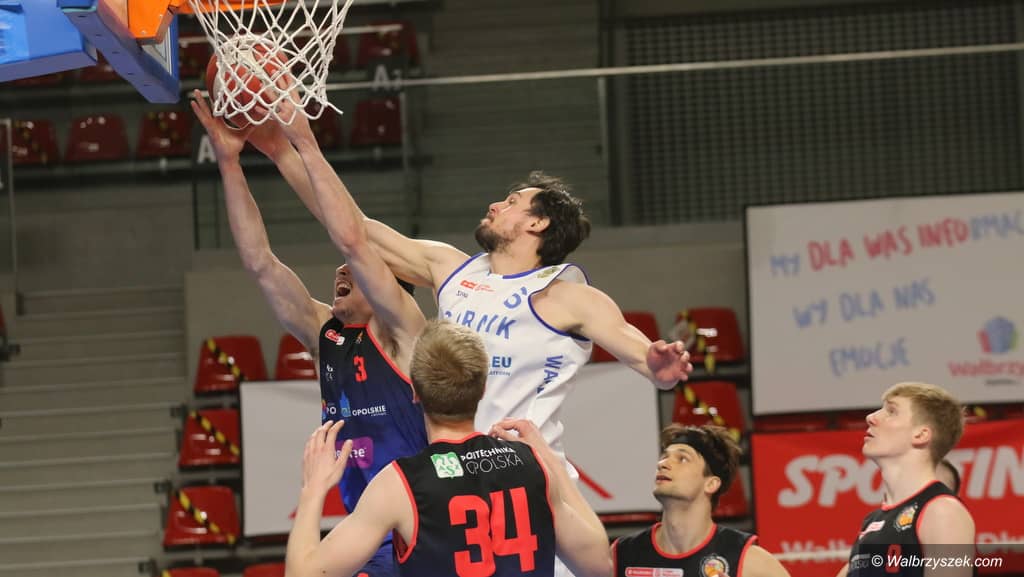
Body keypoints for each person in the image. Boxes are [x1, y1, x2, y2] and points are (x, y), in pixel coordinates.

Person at [262, 104, 694, 469]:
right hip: (453, 471)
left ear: (538, 223)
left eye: (512, 203)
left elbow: (639, 353)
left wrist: (658, 367)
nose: (495, 205)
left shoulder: (566, 294)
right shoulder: (453, 269)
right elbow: (352, 227)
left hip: (528, 473)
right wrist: (283, 150)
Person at [191, 91, 429, 577]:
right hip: (364, 534)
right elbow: (260, 264)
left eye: (354, 271)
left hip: (421, 531)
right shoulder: (327, 336)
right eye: (341, 270)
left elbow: (356, 242)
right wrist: (230, 164)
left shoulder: (405, 333)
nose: (341, 271)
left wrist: (294, 145)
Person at [286, 320, 613, 577]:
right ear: (483, 388)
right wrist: (550, 461)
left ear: (414, 391)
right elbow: (599, 565)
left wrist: (312, 490)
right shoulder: (533, 465)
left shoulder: (399, 484)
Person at [612, 423, 791, 577]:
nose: (662, 464)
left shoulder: (748, 560)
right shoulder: (621, 554)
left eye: (682, 459)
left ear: (711, 484)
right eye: (664, 457)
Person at [838, 382, 975, 577]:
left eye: (891, 411)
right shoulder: (872, 522)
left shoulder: (942, 512)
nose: (871, 417)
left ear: (921, 434)